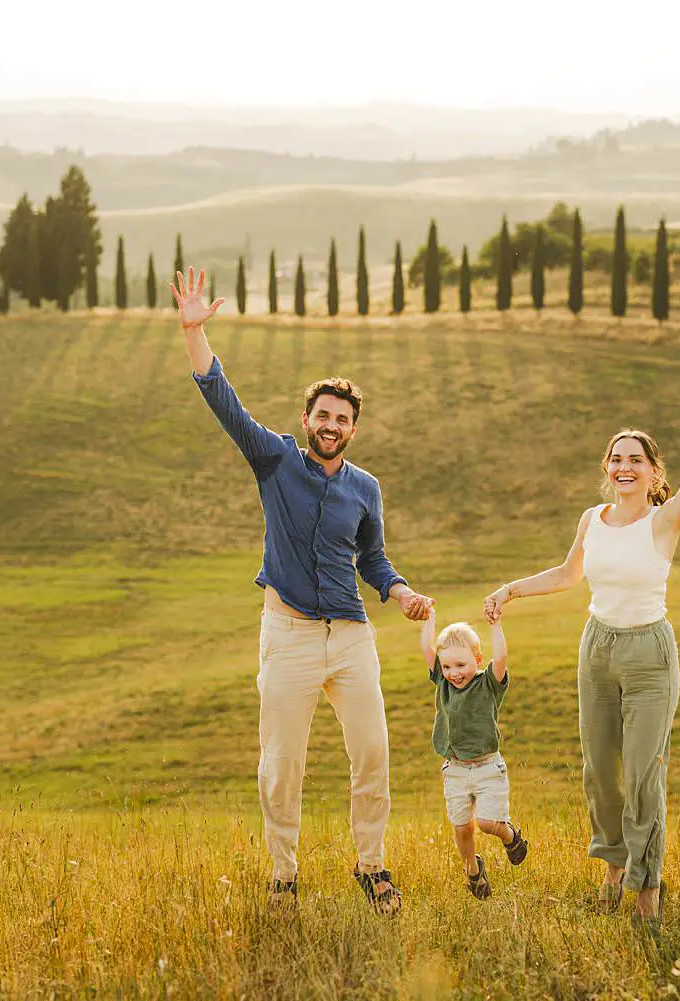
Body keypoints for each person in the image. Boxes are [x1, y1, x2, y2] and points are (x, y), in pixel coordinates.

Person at [173, 267, 434, 916]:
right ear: (307, 417)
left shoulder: (364, 487)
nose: (330, 424)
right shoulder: (277, 459)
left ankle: (371, 864)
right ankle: (284, 875)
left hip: (349, 637)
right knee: (280, 766)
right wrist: (194, 332)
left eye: (342, 418)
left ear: (352, 428)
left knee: (373, 752)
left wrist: (399, 592)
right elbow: (222, 400)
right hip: (286, 634)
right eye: (322, 414)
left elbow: (372, 558)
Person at [483, 370, 680, 932]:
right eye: (617, 458)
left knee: (644, 775)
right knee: (599, 771)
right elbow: (567, 573)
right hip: (596, 650)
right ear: (608, 469)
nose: (624, 466)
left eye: (636, 460)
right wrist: (511, 589)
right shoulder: (590, 521)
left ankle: (647, 887)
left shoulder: (663, 521)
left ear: (653, 473)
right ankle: (613, 866)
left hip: (650, 655)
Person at [418, 609, 529, 899]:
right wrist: (429, 618)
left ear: (478, 660)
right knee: (462, 826)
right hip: (454, 768)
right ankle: (473, 871)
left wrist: (496, 625)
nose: (454, 673)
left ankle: (511, 837)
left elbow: (502, 658)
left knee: (488, 823)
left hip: (487, 768)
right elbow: (426, 650)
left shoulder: (487, 684)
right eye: (447, 667)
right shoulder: (443, 683)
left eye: (461, 665)